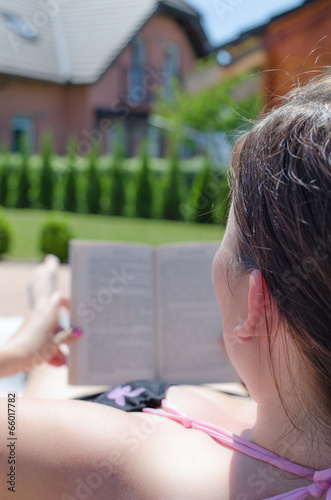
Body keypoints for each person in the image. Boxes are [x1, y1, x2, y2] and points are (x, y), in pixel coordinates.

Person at [0, 75, 331, 499]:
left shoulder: (121, 458)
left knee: (52, 372)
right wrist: (267, 366)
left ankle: (42, 303)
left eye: (225, 233)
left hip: (103, 407)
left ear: (256, 302)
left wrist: (16, 353)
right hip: (231, 393)